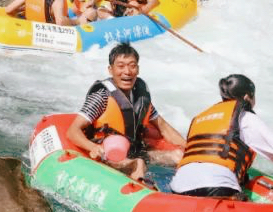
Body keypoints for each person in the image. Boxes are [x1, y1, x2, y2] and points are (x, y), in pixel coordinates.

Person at [169, 74, 273, 199]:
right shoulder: (245, 117)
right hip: (216, 187)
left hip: (178, 186)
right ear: (247, 97)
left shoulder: (200, 116)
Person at [66, 43, 186, 183]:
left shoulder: (141, 98)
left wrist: (189, 148)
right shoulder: (102, 96)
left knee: (178, 155)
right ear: (110, 70)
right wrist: (93, 147)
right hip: (108, 154)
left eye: (132, 65)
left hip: (136, 151)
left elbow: (164, 128)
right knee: (137, 163)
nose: (127, 72)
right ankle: (138, 176)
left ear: (138, 69)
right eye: (121, 66)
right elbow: (72, 131)